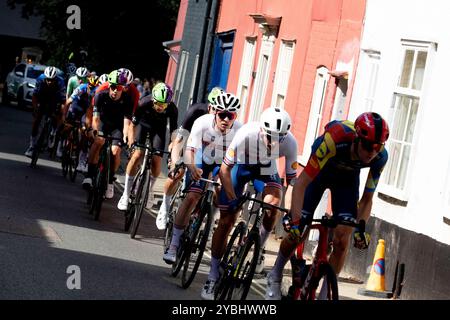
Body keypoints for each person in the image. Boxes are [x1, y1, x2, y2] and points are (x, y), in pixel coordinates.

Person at [265, 112, 390, 300]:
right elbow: (301, 184)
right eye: (367, 146)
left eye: (377, 147)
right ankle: (275, 274)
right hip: (319, 173)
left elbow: (366, 199)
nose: (372, 152)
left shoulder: (380, 158)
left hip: (347, 181)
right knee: (299, 229)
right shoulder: (334, 140)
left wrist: (361, 228)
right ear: (356, 138)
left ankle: (324, 294)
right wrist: (297, 221)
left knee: (342, 240)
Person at [200, 107, 299, 300]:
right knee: (227, 220)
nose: (274, 142)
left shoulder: (290, 143)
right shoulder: (246, 133)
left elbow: (292, 182)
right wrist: (231, 196)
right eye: (270, 137)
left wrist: (289, 211)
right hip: (241, 166)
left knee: (273, 206)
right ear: (262, 130)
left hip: (266, 170)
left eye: (279, 138)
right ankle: (212, 275)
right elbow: (225, 169)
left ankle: (259, 247)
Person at [163, 92, 242, 265]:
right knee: (192, 196)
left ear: (235, 116)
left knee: (221, 191)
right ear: (215, 113)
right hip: (201, 159)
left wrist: (226, 180)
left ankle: (209, 220)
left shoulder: (239, 131)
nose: (226, 119)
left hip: (221, 164)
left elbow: (238, 162)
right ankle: (174, 245)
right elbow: (190, 151)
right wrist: (192, 168)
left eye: (231, 116)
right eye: (222, 114)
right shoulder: (202, 123)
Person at [155, 86, 224, 230]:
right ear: (209, 106)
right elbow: (179, 140)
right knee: (177, 173)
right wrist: (175, 163)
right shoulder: (196, 112)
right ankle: (165, 206)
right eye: (214, 110)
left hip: (208, 149)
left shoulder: (224, 120)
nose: (217, 115)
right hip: (188, 140)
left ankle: (207, 221)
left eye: (221, 112)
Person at [117, 82, 178, 211]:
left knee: (157, 160)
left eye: (163, 104)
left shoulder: (172, 109)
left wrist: (172, 147)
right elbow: (132, 126)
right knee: (137, 155)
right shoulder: (143, 103)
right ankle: (126, 193)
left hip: (159, 131)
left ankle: (149, 189)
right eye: (157, 103)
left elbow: (173, 132)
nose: (160, 107)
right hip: (142, 127)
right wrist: (132, 143)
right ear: (153, 99)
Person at [82, 70, 133, 199]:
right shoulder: (100, 95)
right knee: (98, 141)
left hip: (117, 127)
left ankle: (110, 181)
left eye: (119, 87)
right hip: (103, 124)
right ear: (109, 86)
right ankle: (89, 175)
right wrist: (95, 130)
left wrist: (126, 137)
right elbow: (95, 118)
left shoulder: (128, 100)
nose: (116, 90)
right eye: (113, 87)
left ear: (124, 88)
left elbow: (127, 122)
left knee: (115, 151)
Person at [24, 66, 66, 157]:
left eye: (52, 80)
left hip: (55, 99)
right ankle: (31, 146)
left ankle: (53, 133)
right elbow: (35, 96)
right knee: (36, 120)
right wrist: (35, 109)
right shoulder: (40, 79)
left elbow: (63, 101)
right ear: (45, 77)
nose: (49, 81)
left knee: (57, 115)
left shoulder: (60, 82)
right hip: (43, 97)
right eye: (48, 79)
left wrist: (61, 113)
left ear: (55, 78)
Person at [61, 74, 100, 171]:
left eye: (94, 87)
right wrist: (63, 116)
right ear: (87, 84)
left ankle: (80, 158)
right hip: (76, 107)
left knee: (84, 133)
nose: (92, 89)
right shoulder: (81, 88)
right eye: (90, 86)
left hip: (86, 111)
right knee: (67, 126)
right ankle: (65, 144)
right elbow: (68, 102)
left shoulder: (98, 91)